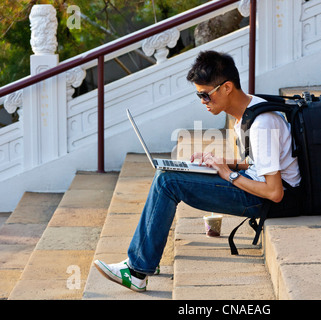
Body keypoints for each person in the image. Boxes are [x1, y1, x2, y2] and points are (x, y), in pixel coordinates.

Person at [94, 50, 301, 292]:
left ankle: (138, 271)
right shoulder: (249, 109)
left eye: (205, 95)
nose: (202, 101)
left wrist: (229, 175)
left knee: (167, 182)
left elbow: (275, 192)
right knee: (167, 175)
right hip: (255, 185)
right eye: (198, 95)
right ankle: (146, 255)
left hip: (266, 200)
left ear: (227, 87)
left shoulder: (261, 125)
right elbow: (263, 163)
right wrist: (223, 163)